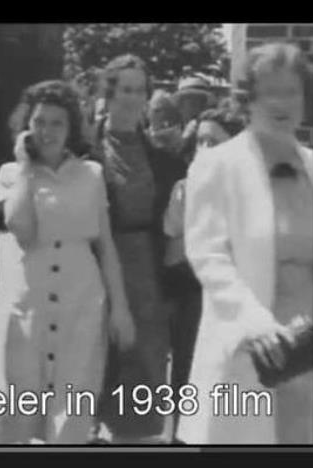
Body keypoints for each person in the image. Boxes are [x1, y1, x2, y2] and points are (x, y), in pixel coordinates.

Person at [177, 42, 313, 444]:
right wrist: (254, 323)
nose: (282, 103)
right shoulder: (217, 166)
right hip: (249, 350)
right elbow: (209, 255)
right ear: (248, 100)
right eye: (270, 92)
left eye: (291, 91)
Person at [0, 80, 135, 444]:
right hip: (31, 300)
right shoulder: (11, 174)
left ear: (71, 127)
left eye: (57, 123)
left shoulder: (92, 175)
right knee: (22, 401)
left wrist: (120, 308)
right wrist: (26, 167)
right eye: (39, 122)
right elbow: (21, 230)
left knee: (73, 405)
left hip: (82, 300)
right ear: (27, 126)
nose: (47, 131)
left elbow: (105, 245)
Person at [90, 54, 184, 444]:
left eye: (139, 90)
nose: (132, 98)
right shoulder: (85, 154)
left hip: (147, 280)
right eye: (124, 89)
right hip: (94, 272)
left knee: (141, 387)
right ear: (109, 94)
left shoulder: (165, 161)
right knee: (91, 376)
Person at [161, 108, 245, 441]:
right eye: (200, 141)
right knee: (186, 376)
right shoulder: (184, 188)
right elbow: (172, 247)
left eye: (214, 141)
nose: (205, 149)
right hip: (190, 297)